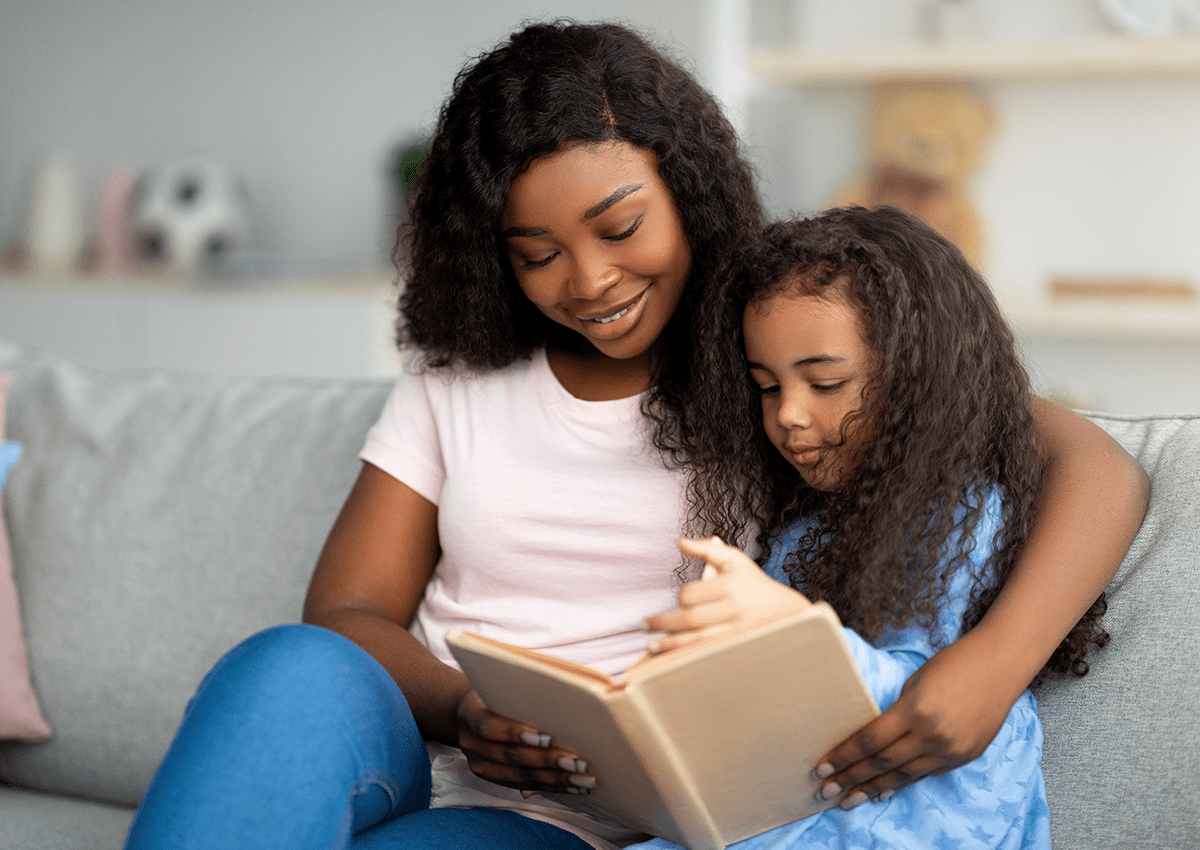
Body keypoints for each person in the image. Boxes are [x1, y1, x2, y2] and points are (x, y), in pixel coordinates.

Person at [124, 21, 1148, 850]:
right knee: (286, 666)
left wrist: (994, 667)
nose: (589, 281)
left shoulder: (773, 351)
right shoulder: (459, 383)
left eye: (620, 227)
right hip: (425, 735)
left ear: (685, 188)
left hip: (580, 817)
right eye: (536, 254)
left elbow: (1091, 461)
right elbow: (348, 608)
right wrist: (466, 710)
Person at [641, 204, 1061, 847]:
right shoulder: (799, 531)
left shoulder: (967, 520)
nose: (789, 416)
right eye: (766, 387)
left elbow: (925, 715)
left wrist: (783, 626)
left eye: (825, 382)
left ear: (917, 377)